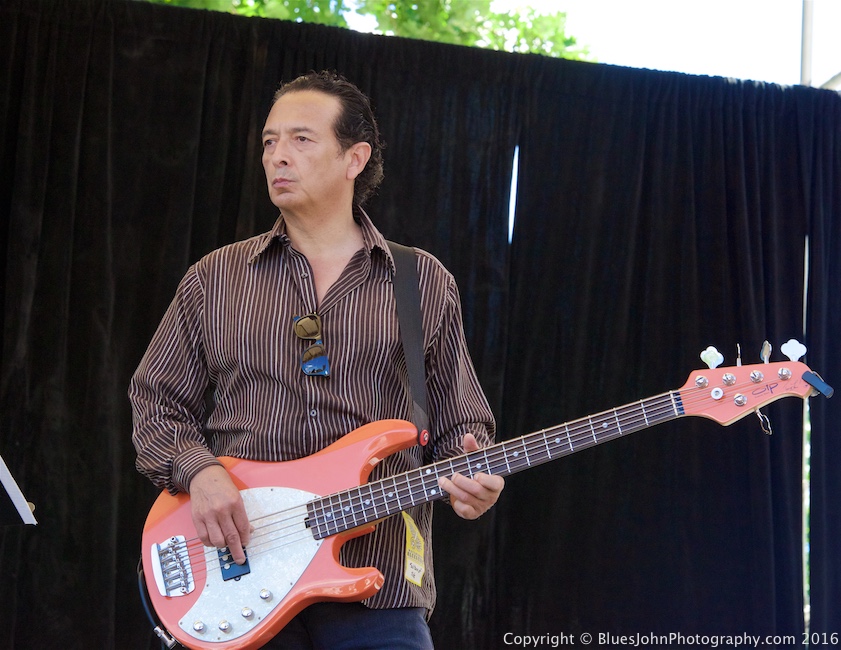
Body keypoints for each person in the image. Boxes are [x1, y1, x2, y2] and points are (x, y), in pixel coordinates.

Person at [129, 70, 504, 649]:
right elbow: (156, 399)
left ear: (355, 158)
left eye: (301, 139)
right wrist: (199, 472)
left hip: (378, 586)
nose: (278, 155)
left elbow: (460, 421)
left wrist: (470, 479)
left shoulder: (421, 279)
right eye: (269, 141)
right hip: (239, 569)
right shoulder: (215, 278)